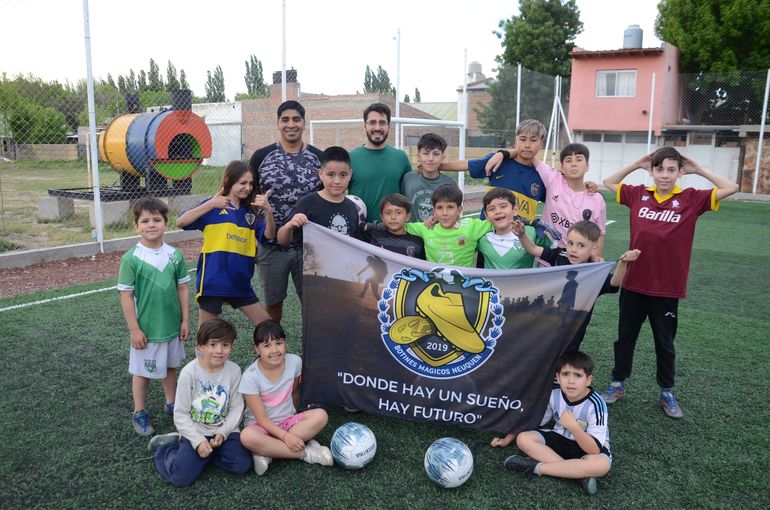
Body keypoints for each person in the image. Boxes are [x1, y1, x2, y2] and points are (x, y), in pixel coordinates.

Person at [600, 148, 738, 419]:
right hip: (633, 282)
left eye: (671, 170)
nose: (664, 175)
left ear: (680, 172)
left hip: (666, 287)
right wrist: (637, 164)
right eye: (659, 169)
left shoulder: (692, 199)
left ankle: (666, 391)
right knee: (625, 337)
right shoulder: (639, 194)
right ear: (652, 171)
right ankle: (618, 384)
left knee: (665, 342)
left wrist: (698, 169)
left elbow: (731, 187)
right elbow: (609, 182)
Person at [148, 319, 252, 487]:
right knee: (181, 478)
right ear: (200, 346)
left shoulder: (234, 370)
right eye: (212, 344)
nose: (219, 351)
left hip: (224, 430)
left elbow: (237, 407)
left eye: (225, 345)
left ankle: (206, 455)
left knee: (242, 465)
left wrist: (223, 433)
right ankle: (168, 448)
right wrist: (197, 441)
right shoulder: (189, 372)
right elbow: (181, 413)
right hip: (195, 430)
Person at [118, 197, 191, 436]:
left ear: (165, 223)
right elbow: (127, 297)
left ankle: (172, 404)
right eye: (145, 220)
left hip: (171, 326)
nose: (151, 225)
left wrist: (185, 320)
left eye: (157, 220)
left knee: (170, 367)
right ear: (136, 226)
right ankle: (139, 412)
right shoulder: (131, 258)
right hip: (147, 331)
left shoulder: (174, 255)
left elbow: (182, 288)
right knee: (142, 373)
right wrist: (134, 329)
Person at [510, 219, 641, 352]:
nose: (573, 249)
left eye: (581, 245)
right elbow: (532, 249)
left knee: (565, 360)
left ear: (594, 248)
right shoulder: (559, 255)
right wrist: (522, 235)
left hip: (572, 332)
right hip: (546, 324)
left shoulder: (594, 270)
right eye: (570, 243)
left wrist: (623, 263)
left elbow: (614, 283)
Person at [250, 100, 323, 324]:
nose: (291, 124)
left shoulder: (319, 157)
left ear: (304, 123)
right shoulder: (261, 156)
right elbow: (249, 196)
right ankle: (272, 354)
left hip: (308, 247)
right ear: (278, 124)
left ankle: (313, 354)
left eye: (296, 119)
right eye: (285, 120)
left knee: (312, 306)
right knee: (272, 306)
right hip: (271, 247)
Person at [176, 160, 274, 328]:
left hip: (240, 282)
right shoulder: (212, 205)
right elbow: (181, 222)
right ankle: (202, 356)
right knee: (206, 334)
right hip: (213, 282)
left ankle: (263, 354)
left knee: (267, 326)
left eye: (251, 183)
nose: (248, 187)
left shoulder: (250, 212)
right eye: (242, 183)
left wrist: (268, 211)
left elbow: (269, 236)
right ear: (229, 181)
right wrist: (210, 204)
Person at [503, 351, 611, 496]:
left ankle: (535, 467)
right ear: (558, 378)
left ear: (588, 380)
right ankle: (578, 475)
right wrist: (508, 438)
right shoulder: (553, 394)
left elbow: (594, 450)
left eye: (578, 376)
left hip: (587, 446)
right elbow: (534, 421)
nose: (571, 381)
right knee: (523, 438)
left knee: (601, 466)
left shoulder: (597, 404)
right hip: (559, 439)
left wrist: (574, 427)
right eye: (565, 374)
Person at [239, 320, 333, 475]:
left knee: (321, 416)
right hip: (261, 427)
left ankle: (268, 452)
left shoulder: (295, 362)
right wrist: (286, 437)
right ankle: (306, 453)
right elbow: (262, 419)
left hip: (288, 422)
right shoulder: (250, 377)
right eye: (267, 345)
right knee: (247, 437)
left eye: (279, 343)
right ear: (256, 349)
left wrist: (295, 422)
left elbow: (294, 392)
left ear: (285, 343)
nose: (275, 350)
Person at [488, 143, 606, 256]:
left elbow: (600, 235)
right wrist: (502, 154)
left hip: (580, 259)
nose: (574, 164)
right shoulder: (554, 179)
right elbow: (529, 154)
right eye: (568, 160)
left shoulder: (597, 199)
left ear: (587, 166)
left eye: (579, 160)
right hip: (549, 256)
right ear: (562, 168)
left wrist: (593, 259)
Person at [440, 119, 548, 221]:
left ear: (541, 145)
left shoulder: (543, 175)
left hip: (520, 236)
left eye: (533, 140)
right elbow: (468, 164)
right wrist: (438, 166)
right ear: (516, 142)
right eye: (523, 139)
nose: (527, 145)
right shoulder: (499, 161)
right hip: (489, 232)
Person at [277, 146, 361, 245]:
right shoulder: (307, 203)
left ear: (350, 175)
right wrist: (290, 226)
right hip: (312, 260)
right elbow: (282, 239)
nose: (337, 181)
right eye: (331, 175)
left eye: (343, 175)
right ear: (320, 174)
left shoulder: (352, 207)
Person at [348, 103, 413, 221]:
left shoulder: (400, 157)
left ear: (389, 126)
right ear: (364, 125)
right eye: (372, 122)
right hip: (360, 229)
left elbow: (410, 193)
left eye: (382, 122)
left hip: (392, 230)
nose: (377, 128)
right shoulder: (350, 158)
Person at [404, 184, 492, 267]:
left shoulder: (472, 227)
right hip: (434, 282)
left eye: (450, 207)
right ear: (434, 210)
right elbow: (399, 225)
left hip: (464, 282)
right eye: (439, 208)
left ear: (459, 210)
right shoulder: (427, 227)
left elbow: (498, 222)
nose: (444, 213)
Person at [477, 187, 550, 269]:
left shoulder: (533, 232)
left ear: (515, 209)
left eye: (503, 206)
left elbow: (554, 253)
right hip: (493, 282)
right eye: (491, 209)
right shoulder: (482, 240)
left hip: (526, 282)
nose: (498, 211)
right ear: (486, 216)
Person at [401, 133, 456, 222]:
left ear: (443, 158)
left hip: (438, 234)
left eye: (436, 154)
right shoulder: (408, 179)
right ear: (418, 157)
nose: (430, 158)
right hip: (411, 234)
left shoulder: (450, 183)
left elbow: (455, 214)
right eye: (426, 153)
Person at [360, 193, 425, 259]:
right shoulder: (374, 234)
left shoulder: (417, 242)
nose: (393, 217)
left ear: (408, 216)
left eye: (398, 213)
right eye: (388, 213)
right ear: (382, 217)